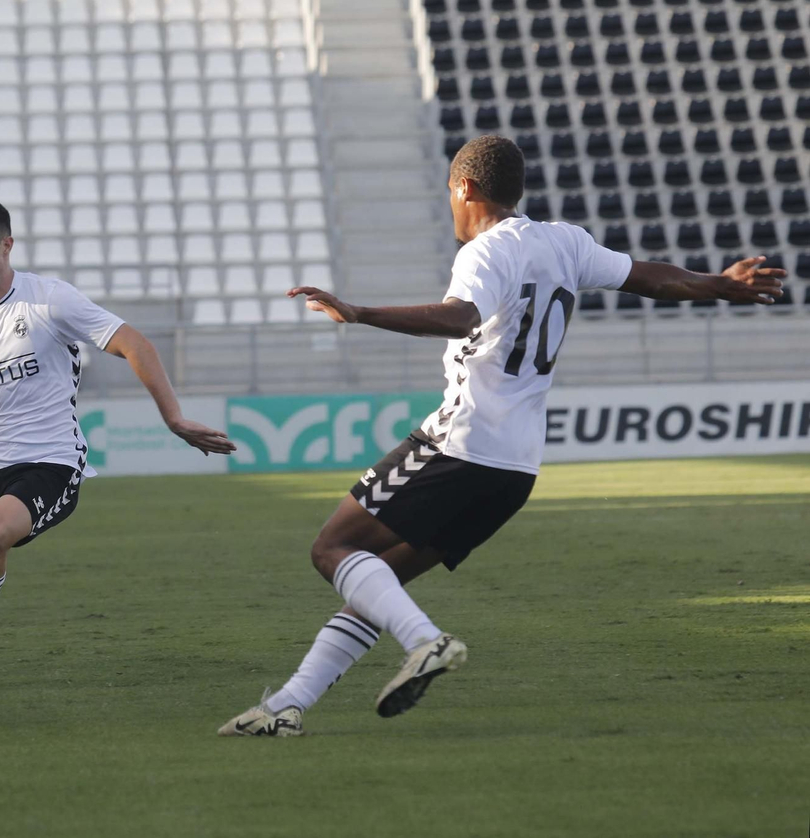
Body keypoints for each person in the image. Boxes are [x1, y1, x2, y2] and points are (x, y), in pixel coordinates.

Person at [218, 134, 786, 738]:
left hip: (459, 446)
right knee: (377, 584)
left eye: (450, 194)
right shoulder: (564, 241)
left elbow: (462, 316)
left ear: (464, 187)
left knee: (331, 549)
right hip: (514, 472)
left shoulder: (486, 252)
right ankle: (288, 705)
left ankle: (425, 642)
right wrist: (718, 284)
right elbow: (649, 277)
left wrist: (360, 313)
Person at [0, 197, 236, 694]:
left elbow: (135, 343)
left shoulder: (48, 299)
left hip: (53, 460)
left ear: (6, 244)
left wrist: (173, 417)